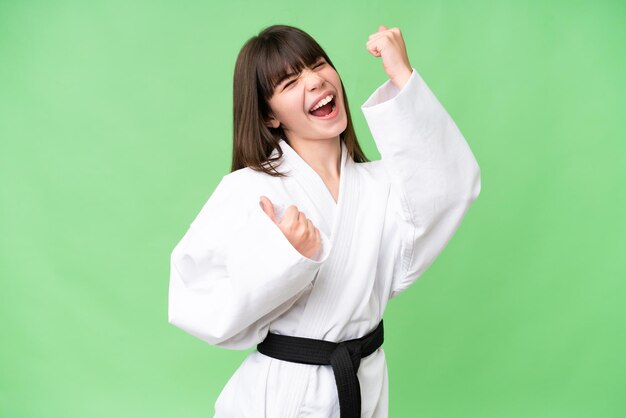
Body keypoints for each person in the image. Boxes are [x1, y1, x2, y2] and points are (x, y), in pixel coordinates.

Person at [168, 23, 481, 418]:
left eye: (317, 65)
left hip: (362, 383)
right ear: (269, 117)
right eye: (290, 82)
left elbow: (450, 187)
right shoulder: (250, 189)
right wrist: (286, 257)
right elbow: (193, 297)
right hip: (284, 397)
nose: (315, 81)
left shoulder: (383, 184)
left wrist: (403, 76)